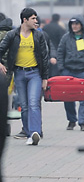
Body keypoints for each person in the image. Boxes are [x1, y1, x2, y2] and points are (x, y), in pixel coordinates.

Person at [0, 8, 49, 146]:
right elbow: (1, 49)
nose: (36, 21)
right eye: (33, 18)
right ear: (25, 20)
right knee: (25, 106)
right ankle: (29, 134)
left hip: (35, 74)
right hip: (19, 74)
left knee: (34, 103)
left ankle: (35, 132)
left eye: (36, 18)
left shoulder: (38, 36)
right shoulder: (12, 35)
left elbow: (44, 57)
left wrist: (45, 78)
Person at [57, 15, 84, 131]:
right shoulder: (65, 38)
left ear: (81, 25)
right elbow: (60, 53)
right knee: (68, 97)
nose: (74, 26)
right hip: (68, 70)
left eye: (77, 24)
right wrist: (61, 69)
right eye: (72, 24)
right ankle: (71, 120)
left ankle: (83, 122)